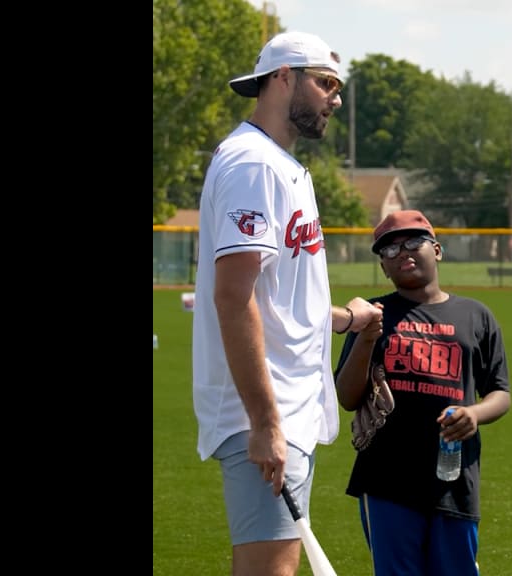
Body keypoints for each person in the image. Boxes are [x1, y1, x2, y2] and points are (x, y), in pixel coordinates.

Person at [191, 31, 383, 576]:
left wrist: (348, 319)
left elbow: (281, 298)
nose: (336, 98)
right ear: (282, 78)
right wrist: (265, 422)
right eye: (326, 83)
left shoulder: (281, 165)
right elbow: (234, 297)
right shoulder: (254, 165)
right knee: (268, 568)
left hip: (287, 408)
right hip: (265, 409)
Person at [334, 210, 512, 576]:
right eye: (390, 249)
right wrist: (368, 337)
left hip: (453, 476)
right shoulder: (373, 314)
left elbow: (500, 392)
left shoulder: (475, 316)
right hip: (386, 478)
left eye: (414, 241)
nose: (403, 252)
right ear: (383, 267)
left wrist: (474, 414)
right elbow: (347, 397)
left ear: (438, 250)